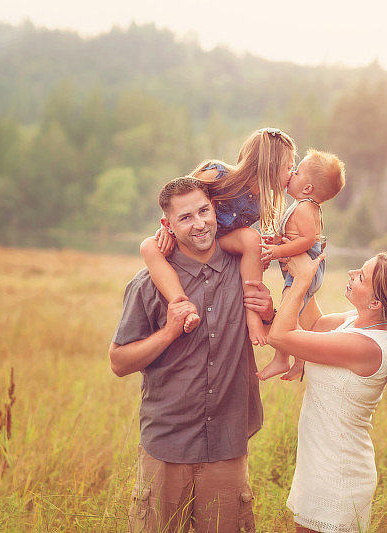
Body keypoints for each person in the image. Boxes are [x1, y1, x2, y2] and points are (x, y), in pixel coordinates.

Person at [110, 176, 276, 533]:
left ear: (215, 209)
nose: (200, 224)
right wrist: (169, 331)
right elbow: (119, 362)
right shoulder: (148, 284)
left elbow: (274, 333)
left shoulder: (244, 270)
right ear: (167, 226)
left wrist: (269, 314)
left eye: (204, 211)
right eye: (186, 218)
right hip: (166, 446)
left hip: (227, 446)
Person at [260, 251, 387, 533]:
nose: (350, 274)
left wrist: (301, 279)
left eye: (361, 276)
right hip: (319, 464)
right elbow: (310, 326)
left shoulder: (367, 346)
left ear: (376, 302)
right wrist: (293, 260)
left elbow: (281, 337)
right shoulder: (356, 321)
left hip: (338, 475)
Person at [140, 127, 296, 346]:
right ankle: (182, 305)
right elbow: (176, 198)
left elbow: (249, 239)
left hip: (218, 242)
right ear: (270, 166)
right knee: (149, 246)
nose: (292, 173)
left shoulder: (262, 203)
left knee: (252, 239)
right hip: (192, 235)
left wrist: (269, 248)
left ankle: (253, 318)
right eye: (288, 167)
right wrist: (168, 229)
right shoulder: (217, 175)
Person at [256, 148, 345, 381]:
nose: (291, 173)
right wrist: (276, 240)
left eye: (296, 172)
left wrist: (277, 251)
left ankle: (291, 359)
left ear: (307, 188)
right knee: (289, 312)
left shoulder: (306, 208)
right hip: (300, 270)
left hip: (306, 269)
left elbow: (305, 241)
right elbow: (295, 236)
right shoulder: (302, 205)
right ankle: (292, 360)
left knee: (287, 313)